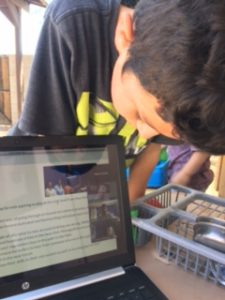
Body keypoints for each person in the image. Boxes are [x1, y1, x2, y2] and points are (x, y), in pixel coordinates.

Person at [9, 0, 225, 201]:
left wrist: (126, 215)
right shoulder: (76, 22)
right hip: (29, 174)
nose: (145, 134)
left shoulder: (188, 104)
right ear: (125, 37)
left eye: (162, 133)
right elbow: (47, 156)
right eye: (141, 116)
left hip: (93, 183)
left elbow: (145, 163)